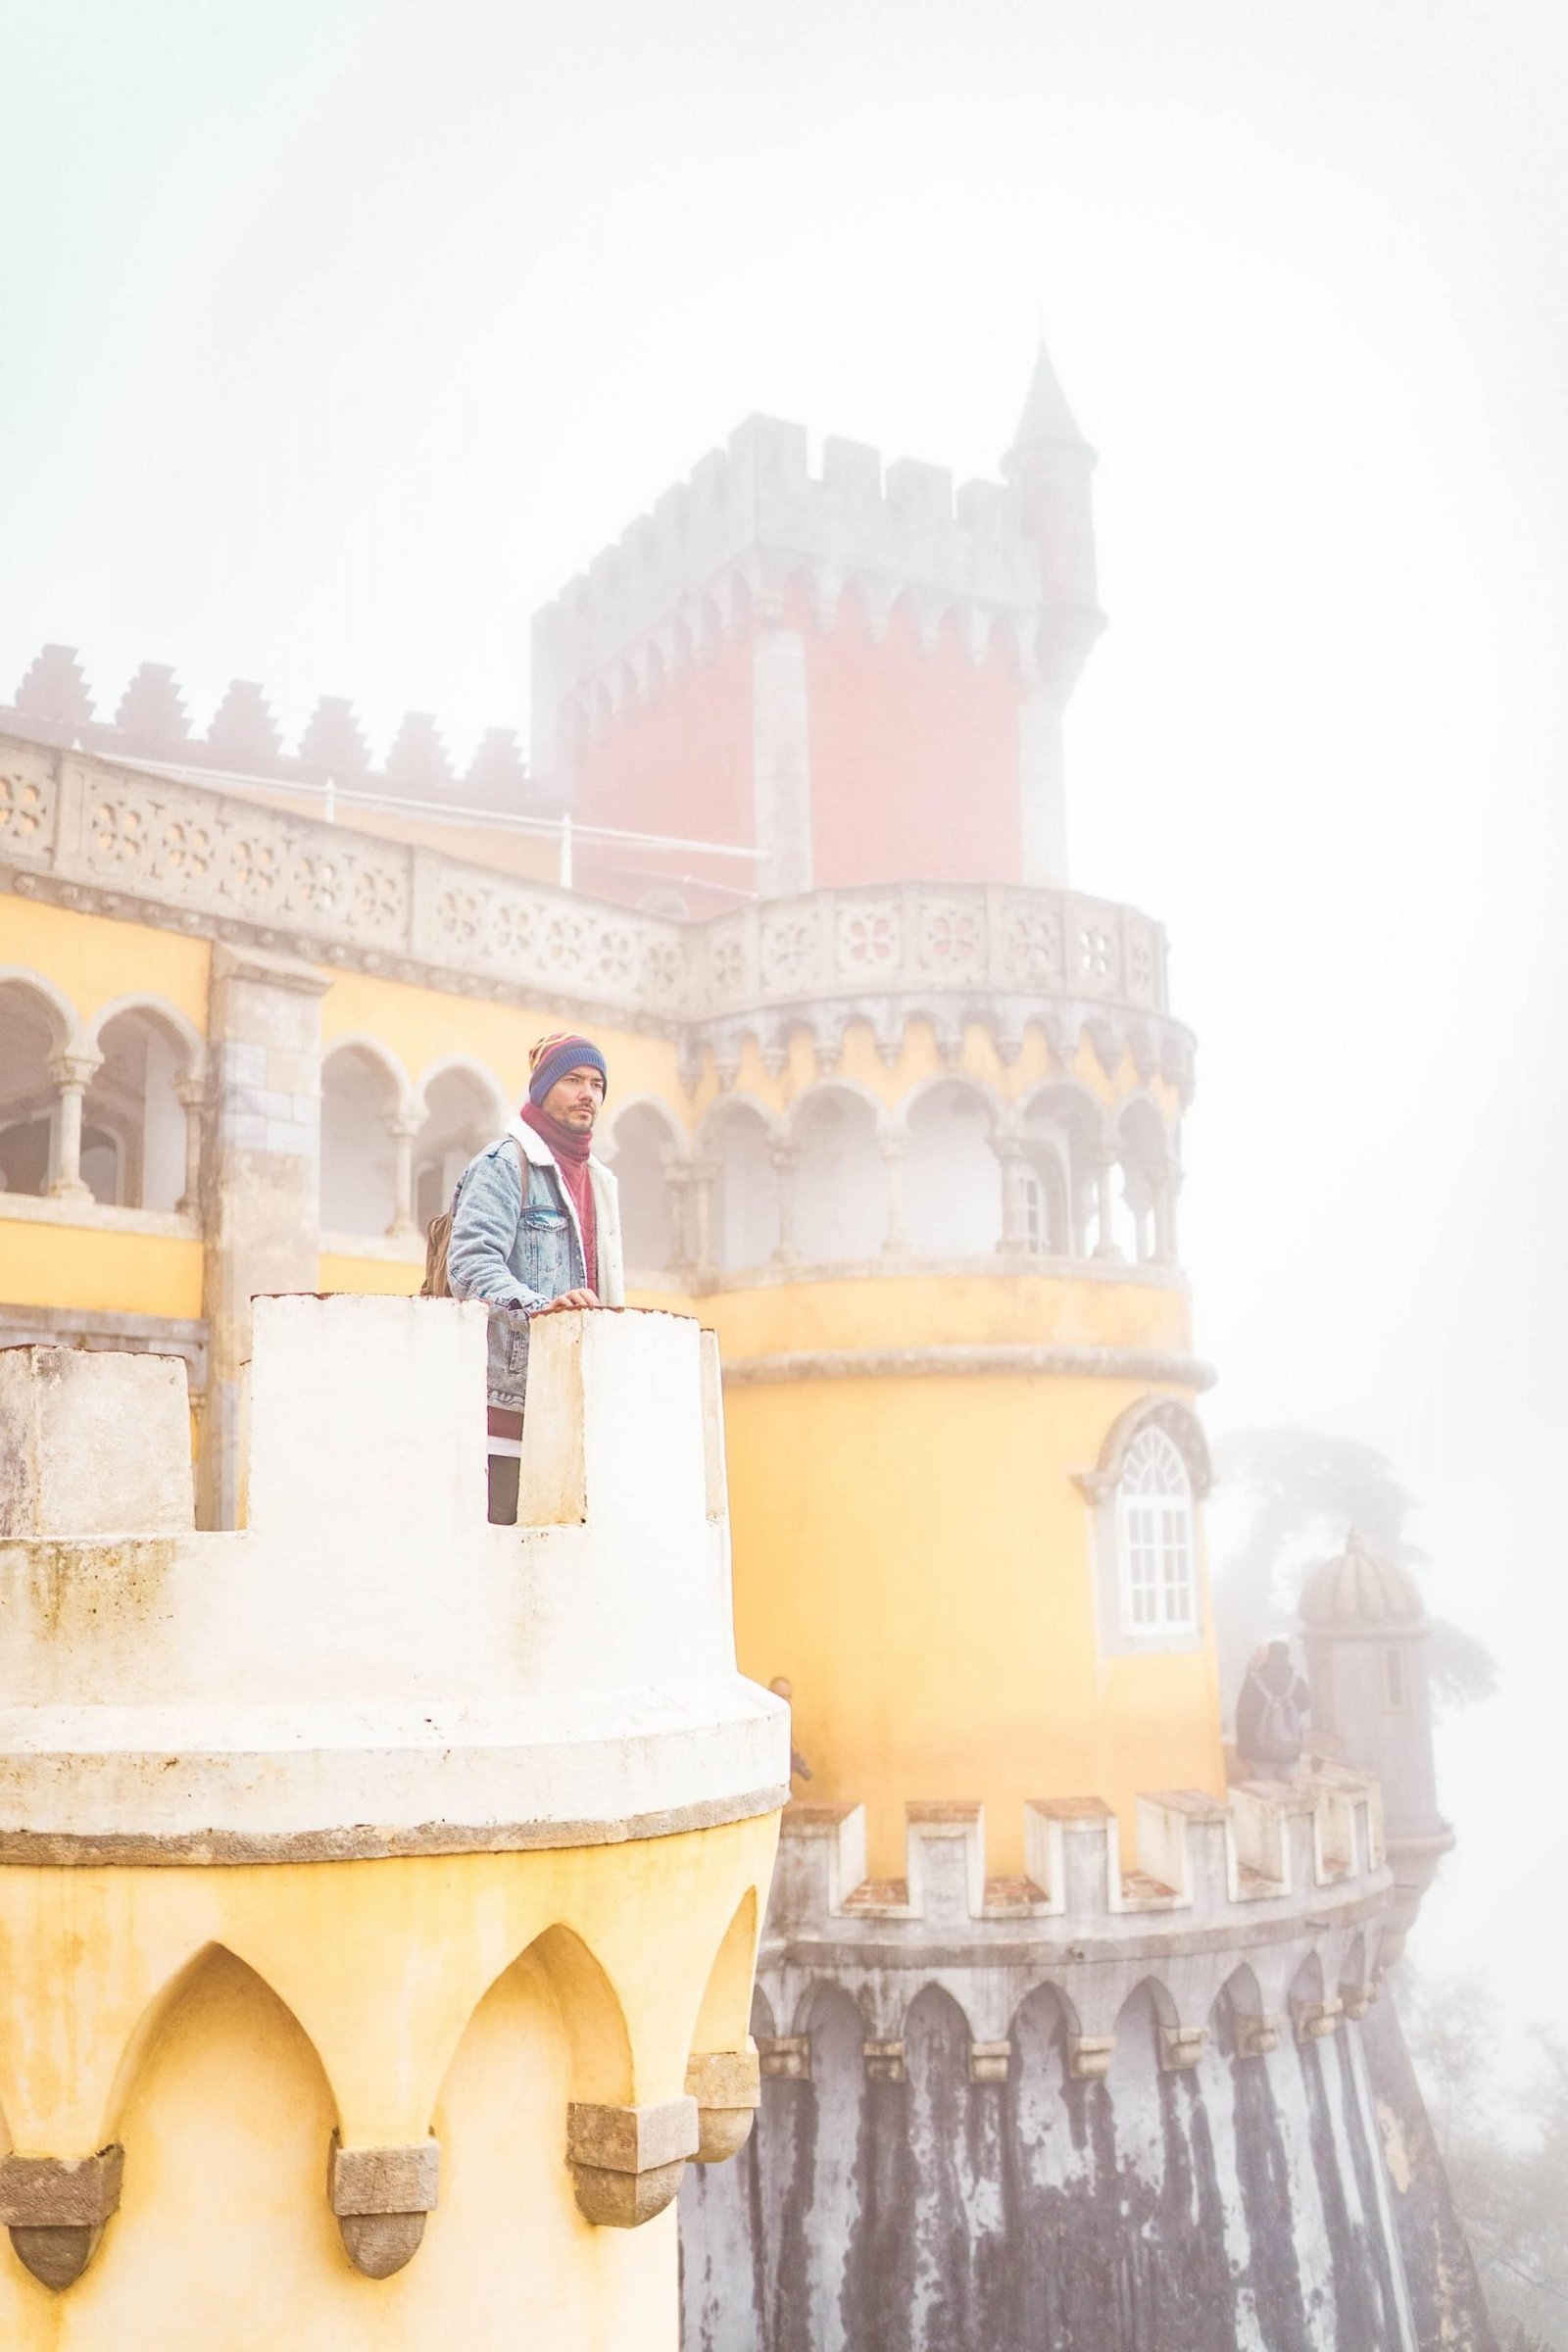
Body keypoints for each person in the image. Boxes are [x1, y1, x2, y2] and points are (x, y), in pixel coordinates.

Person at [445, 1032, 624, 1522]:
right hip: (507, 1412)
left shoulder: (601, 1181)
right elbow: (470, 1265)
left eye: (597, 1084)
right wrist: (543, 1311)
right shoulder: (504, 1164)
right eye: (573, 1080)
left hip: (576, 1408)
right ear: (543, 1089)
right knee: (504, 1549)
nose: (588, 1094)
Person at [1235, 1639, 1312, 1781]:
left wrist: (1243, 1751)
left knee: (1265, 1789)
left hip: (1261, 1751)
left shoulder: (1253, 1681)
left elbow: (1244, 1718)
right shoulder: (1297, 1681)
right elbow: (1306, 1704)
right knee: (1289, 1787)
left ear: (1269, 1656)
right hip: (1290, 1750)